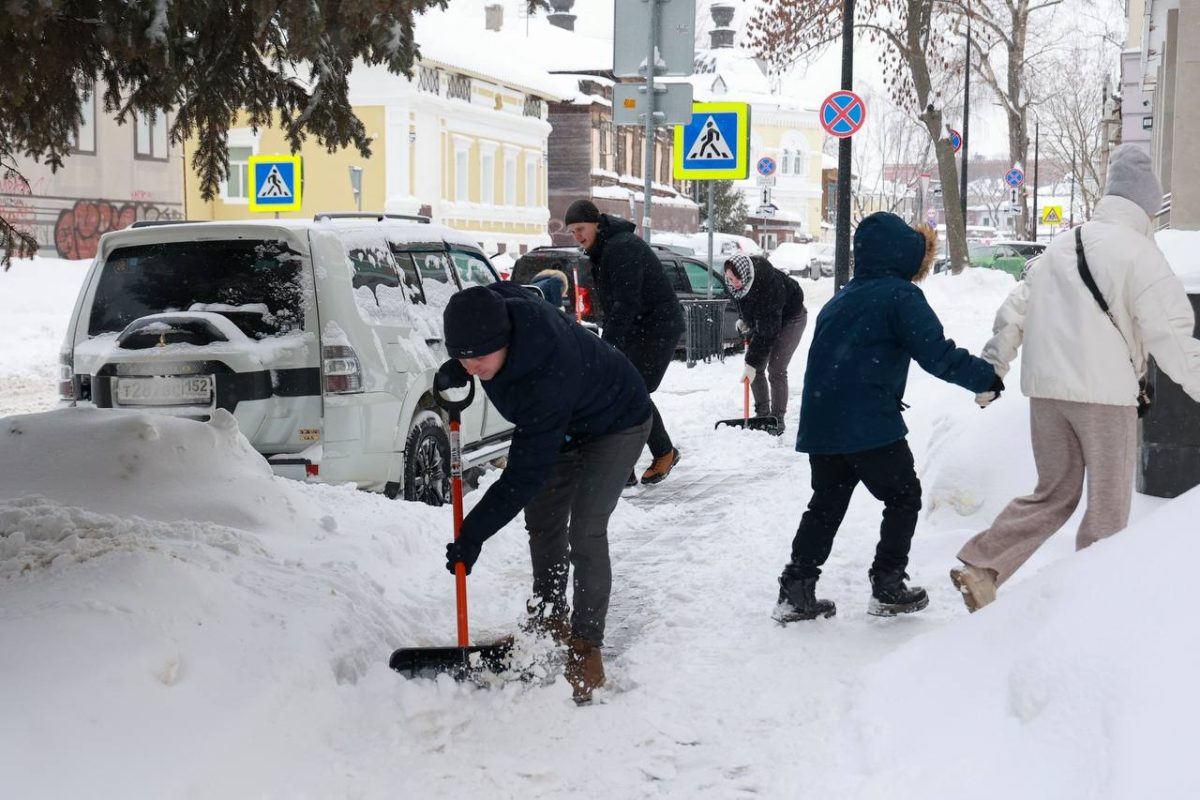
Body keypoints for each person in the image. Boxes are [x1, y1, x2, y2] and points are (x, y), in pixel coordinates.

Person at [951, 144, 1200, 612]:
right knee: (1108, 507)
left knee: (1053, 493)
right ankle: (1090, 608)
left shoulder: (1064, 245)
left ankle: (982, 565)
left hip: (1047, 395)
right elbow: (1174, 341)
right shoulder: (1141, 256)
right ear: (1148, 205)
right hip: (1105, 398)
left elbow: (1015, 310)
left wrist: (993, 368)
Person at [775, 213, 1002, 621]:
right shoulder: (900, 296)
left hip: (822, 422)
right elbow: (937, 354)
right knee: (903, 496)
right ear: (904, 255)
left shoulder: (840, 298)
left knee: (826, 503)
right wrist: (985, 377)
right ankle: (887, 585)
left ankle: (797, 588)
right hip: (867, 421)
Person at [438, 284, 651, 703]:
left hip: (617, 422)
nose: (473, 365)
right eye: (465, 355)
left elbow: (523, 476)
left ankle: (586, 644)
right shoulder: (496, 314)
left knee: (585, 530)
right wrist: (459, 365)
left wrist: (473, 533)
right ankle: (549, 613)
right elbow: (486, 315)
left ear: (505, 341)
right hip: (566, 424)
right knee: (542, 520)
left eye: (480, 356)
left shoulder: (544, 374)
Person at [564, 199, 686, 486]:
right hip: (641, 327)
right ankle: (630, 466)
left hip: (657, 327)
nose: (577, 236)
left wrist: (608, 348)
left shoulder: (621, 248)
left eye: (580, 228)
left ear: (596, 223)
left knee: (631, 391)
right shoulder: (605, 248)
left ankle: (660, 454)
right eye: (572, 232)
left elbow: (626, 304)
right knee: (625, 391)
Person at [724, 252, 807, 434]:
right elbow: (745, 305)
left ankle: (776, 419)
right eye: (729, 278)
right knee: (755, 364)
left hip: (792, 318)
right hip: (768, 319)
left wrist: (752, 362)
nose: (732, 283)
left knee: (776, 368)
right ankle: (763, 415)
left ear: (745, 275)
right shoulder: (736, 285)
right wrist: (745, 319)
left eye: (735, 279)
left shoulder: (769, 286)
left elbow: (767, 332)